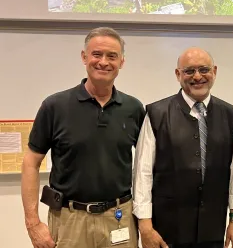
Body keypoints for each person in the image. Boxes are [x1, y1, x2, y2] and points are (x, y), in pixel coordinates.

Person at [21, 27, 145, 248]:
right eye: (97, 54)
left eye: (112, 56)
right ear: (84, 57)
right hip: (69, 221)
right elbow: (31, 162)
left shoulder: (134, 108)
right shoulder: (55, 106)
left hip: (119, 217)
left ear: (122, 62)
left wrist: (146, 219)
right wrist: (32, 223)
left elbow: (147, 167)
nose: (103, 62)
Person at [132, 47, 233, 248]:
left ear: (214, 71)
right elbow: (143, 172)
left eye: (204, 69)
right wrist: (145, 225)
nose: (197, 76)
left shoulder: (229, 114)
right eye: (189, 71)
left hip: (213, 228)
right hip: (167, 229)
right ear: (178, 74)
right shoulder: (157, 113)